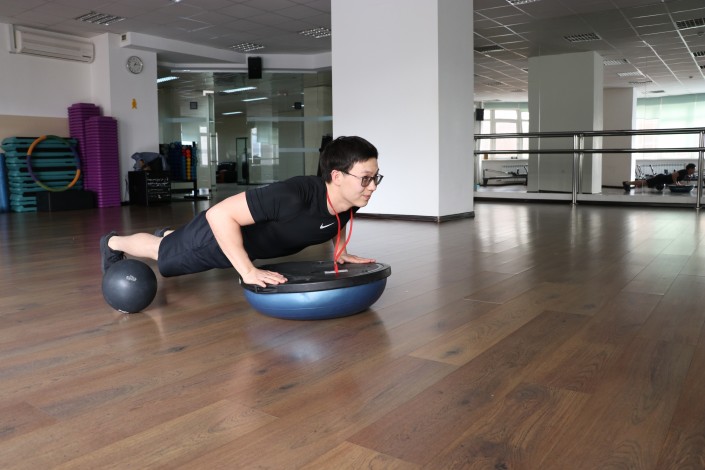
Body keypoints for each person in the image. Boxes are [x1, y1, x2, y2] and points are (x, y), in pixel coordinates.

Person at [100, 136, 383, 288]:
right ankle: (112, 242)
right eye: (365, 178)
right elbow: (219, 216)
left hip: (242, 241)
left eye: (375, 177)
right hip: (217, 236)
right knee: (162, 252)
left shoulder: (349, 200)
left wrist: (340, 251)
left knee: (175, 242)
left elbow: (336, 219)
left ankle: (173, 235)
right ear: (336, 176)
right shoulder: (293, 196)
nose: (372, 186)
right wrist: (247, 271)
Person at [623, 163, 696, 191]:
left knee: (643, 184)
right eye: (693, 169)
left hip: (662, 180)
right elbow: (674, 175)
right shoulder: (684, 171)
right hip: (661, 178)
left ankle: (628, 184)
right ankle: (626, 183)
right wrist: (676, 183)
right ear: (690, 168)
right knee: (643, 182)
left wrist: (679, 184)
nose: (694, 170)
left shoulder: (685, 173)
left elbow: (676, 179)